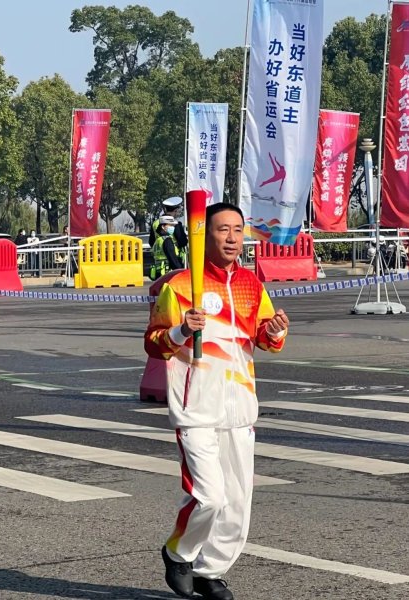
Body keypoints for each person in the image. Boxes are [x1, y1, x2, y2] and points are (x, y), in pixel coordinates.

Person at [144, 202, 289, 600]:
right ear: (203, 235)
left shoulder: (251, 285)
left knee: (237, 505)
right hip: (196, 407)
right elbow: (154, 344)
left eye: (238, 230)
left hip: (239, 408)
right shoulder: (180, 286)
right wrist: (180, 331)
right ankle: (178, 553)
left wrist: (275, 330)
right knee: (209, 496)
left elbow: (264, 339)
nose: (232, 238)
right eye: (223, 230)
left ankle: (210, 572)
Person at [149, 196, 188, 264]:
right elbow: (183, 241)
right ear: (176, 210)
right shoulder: (175, 224)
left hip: (159, 261)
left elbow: (151, 242)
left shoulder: (155, 223)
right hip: (174, 259)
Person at [150, 215, 184, 280]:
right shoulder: (167, 240)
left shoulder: (158, 240)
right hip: (168, 273)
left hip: (159, 273)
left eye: (173, 226)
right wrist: (180, 271)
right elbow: (173, 259)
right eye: (170, 225)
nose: (173, 228)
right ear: (163, 227)